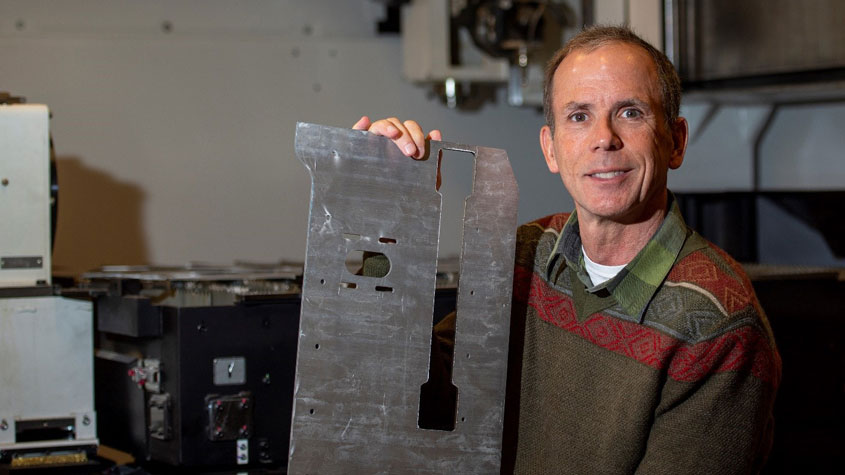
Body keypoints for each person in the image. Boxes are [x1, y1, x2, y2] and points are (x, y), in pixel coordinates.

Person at [354, 25, 781, 474]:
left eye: (631, 113)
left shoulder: (718, 327)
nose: (604, 138)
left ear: (675, 141)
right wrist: (390, 226)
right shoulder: (526, 254)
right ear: (551, 148)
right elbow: (428, 401)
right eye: (579, 116)